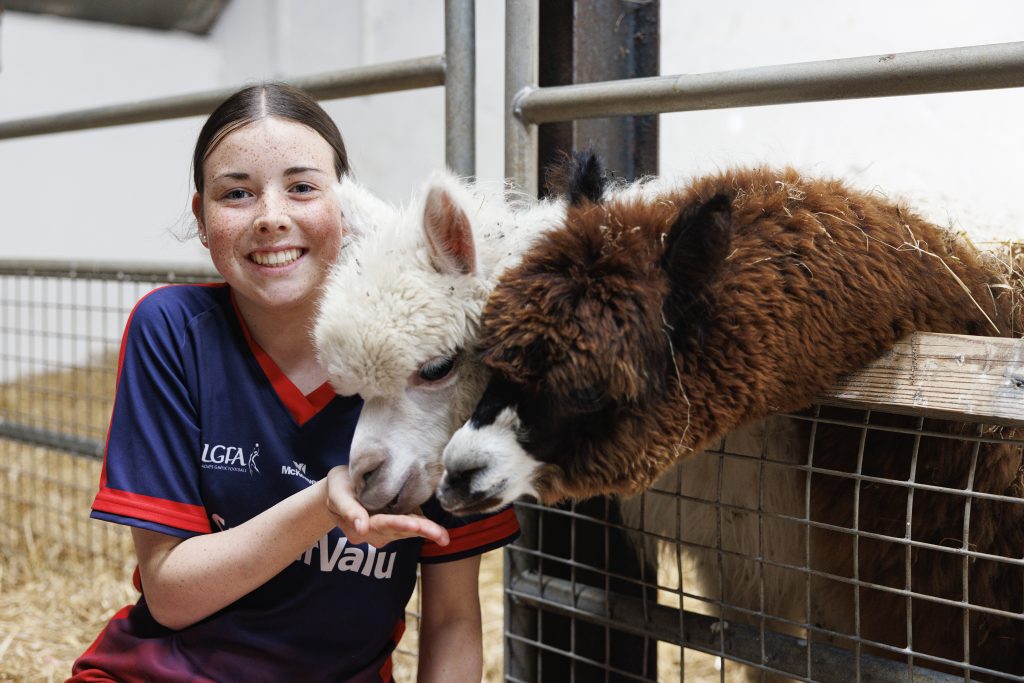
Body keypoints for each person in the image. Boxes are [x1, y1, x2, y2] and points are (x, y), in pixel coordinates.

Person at [68, 82, 520, 683]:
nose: (271, 218)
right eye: (236, 193)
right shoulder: (174, 330)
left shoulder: (435, 363)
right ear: (201, 220)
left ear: (343, 210)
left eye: (303, 187)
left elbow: (454, 620)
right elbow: (171, 595)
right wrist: (323, 504)